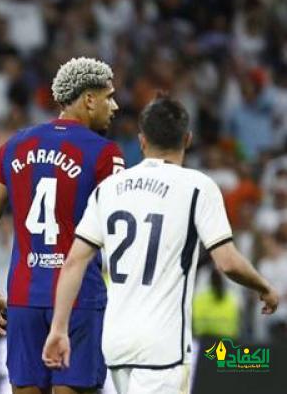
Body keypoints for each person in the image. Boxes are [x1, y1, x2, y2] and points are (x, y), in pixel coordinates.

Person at [42, 97, 280, 394]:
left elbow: (74, 263)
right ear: (187, 139)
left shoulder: (108, 189)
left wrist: (59, 328)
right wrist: (264, 287)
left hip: (116, 342)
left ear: (142, 141)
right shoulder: (198, 187)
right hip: (162, 347)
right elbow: (227, 262)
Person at [0, 57, 124, 394]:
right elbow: (120, 234)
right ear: (89, 99)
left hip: (23, 298)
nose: (114, 106)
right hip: (79, 300)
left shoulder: (13, 146)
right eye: (109, 97)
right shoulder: (105, 154)